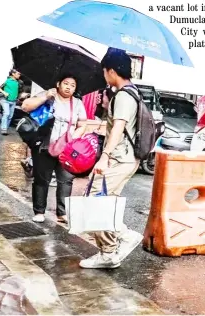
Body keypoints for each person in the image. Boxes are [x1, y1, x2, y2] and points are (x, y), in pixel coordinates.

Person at [78, 48, 144, 269]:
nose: (104, 75)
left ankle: (117, 242)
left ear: (111, 70)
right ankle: (111, 249)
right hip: (123, 158)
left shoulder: (124, 95)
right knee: (101, 202)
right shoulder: (127, 93)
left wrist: (104, 156)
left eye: (104, 71)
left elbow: (119, 127)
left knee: (95, 201)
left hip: (119, 158)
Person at [20, 74, 87, 224]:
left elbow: (83, 124)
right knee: (42, 179)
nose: (69, 87)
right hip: (45, 144)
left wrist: (73, 139)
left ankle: (62, 213)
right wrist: (45, 96)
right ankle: (39, 211)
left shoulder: (77, 103)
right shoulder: (48, 95)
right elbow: (25, 106)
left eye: (72, 85)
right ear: (58, 83)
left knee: (66, 180)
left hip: (66, 149)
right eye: (66, 83)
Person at [0, 69, 21, 135]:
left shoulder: (18, 82)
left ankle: (5, 129)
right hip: (5, 100)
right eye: (18, 74)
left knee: (10, 116)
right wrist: (4, 92)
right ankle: (3, 129)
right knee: (6, 113)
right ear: (13, 74)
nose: (19, 75)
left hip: (13, 101)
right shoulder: (6, 80)